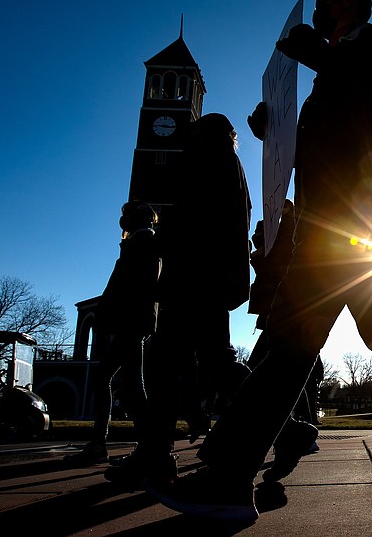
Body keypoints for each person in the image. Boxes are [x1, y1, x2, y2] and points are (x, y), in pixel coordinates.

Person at [147, 0, 372, 523]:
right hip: (338, 218)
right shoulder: (337, 64)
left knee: (291, 340)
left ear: (349, 2)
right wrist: (273, 132)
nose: (320, 3)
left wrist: (322, 58)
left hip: (353, 219)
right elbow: (336, 140)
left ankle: (229, 475)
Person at [124, 112, 253, 488]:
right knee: (215, 361)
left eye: (193, 131)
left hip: (194, 277)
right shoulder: (230, 165)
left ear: (204, 135)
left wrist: (155, 238)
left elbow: (195, 221)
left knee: (167, 363)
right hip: (210, 278)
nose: (187, 135)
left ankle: (155, 454)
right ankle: (285, 425)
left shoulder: (208, 162)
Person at [64, 201, 162, 471]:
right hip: (133, 322)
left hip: (130, 323)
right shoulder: (143, 244)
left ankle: (140, 447)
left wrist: (110, 313)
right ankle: (109, 443)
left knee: (130, 384)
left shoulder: (142, 245)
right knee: (114, 379)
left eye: (125, 216)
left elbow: (127, 287)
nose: (122, 222)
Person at [246, 199, 320, 482]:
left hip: (283, 309)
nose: (257, 238)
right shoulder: (279, 238)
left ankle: (292, 433)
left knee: (262, 370)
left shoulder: (286, 235)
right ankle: (295, 432)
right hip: (277, 310)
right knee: (286, 370)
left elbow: (278, 270)